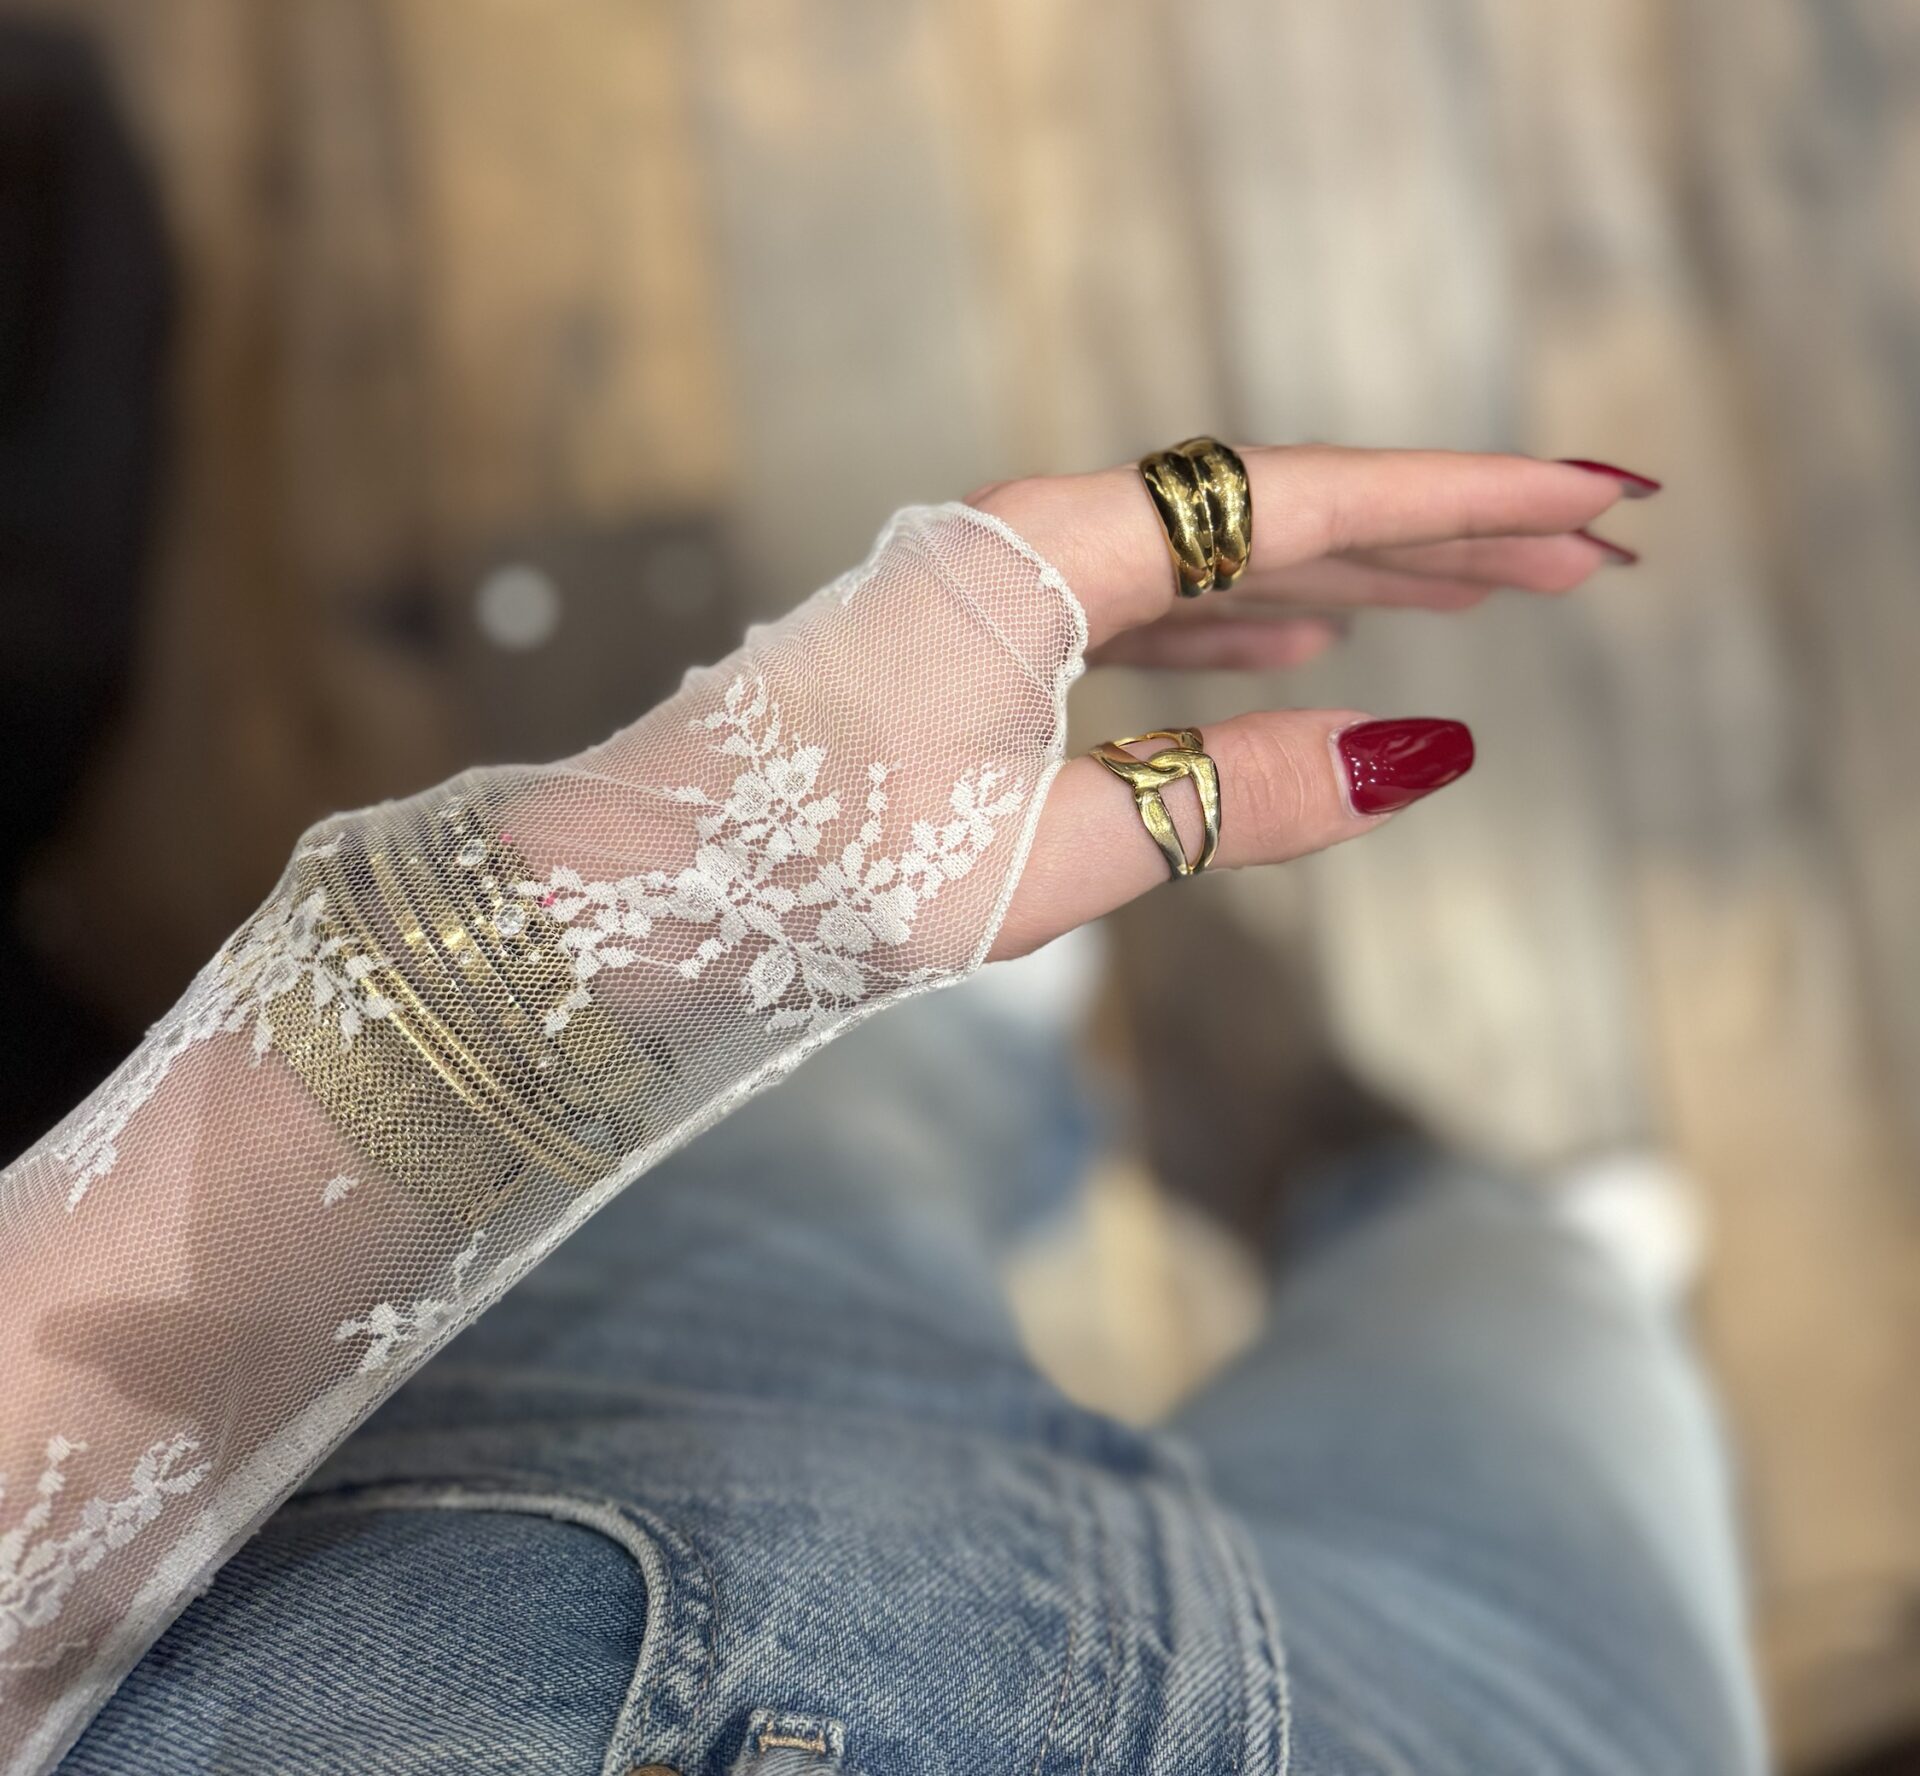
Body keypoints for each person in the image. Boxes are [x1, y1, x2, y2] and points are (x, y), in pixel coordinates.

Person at [0, 442, 1762, 1775]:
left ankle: (976, 1032)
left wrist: (619, 922)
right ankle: (1455, 1226)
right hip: (1392, 1722)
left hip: (569, 1522)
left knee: (848, 1111)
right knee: (1538, 1335)